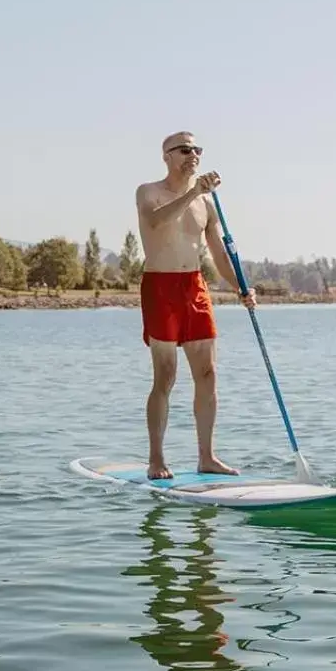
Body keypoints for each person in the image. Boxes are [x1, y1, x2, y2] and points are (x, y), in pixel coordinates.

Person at [135, 131, 255, 480]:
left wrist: (239, 288)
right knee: (166, 376)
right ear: (167, 156)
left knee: (208, 373)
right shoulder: (149, 191)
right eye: (185, 149)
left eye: (197, 149)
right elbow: (156, 220)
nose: (193, 155)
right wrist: (193, 192)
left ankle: (207, 456)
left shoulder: (207, 203)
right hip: (160, 286)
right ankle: (156, 459)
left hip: (194, 286)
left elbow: (217, 253)